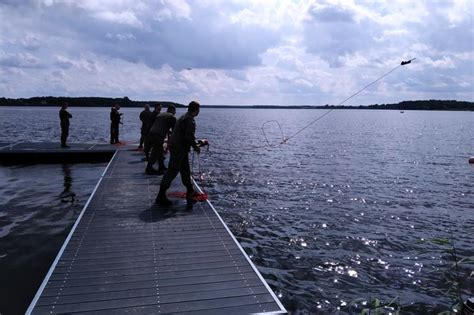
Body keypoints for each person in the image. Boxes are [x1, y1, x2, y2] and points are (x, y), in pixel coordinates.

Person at [156, 101, 201, 206]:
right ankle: (160, 196)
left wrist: (193, 144)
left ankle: (190, 191)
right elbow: (188, 136)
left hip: (179, 148)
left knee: (185, 170)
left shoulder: (183, 117)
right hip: (179, 149)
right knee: (172, 171)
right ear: (196, 109)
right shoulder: (190, 120)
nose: (199, 112)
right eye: (199, 109)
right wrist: (196, 147)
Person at [145, 105, 176, 175]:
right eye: (175, 111)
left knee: (159, 151)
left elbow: (162, 125)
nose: (175, 113)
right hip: (158, 135)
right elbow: (175, 130)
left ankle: (161, 166)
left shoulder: (161, 114)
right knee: (155, 152)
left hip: (151, 133)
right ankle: (148, 168)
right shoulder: (172, 117)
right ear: (172, 110)